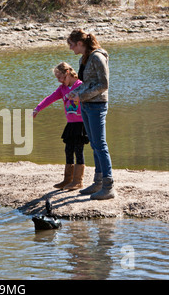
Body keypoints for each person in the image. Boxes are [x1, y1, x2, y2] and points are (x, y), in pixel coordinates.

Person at [65, 29, 115, 200]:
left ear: (80, 43)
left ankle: (108, 187)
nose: (71, 48)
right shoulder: (84, 58)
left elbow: (104, 84)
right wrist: (75, 92)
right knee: (94, 144)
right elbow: (87, 83)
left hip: (97, 105)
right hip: (86, 105)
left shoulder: (97, 57)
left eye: (72, 45)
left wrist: (82, 96)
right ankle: (98, 182)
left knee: (100, 144)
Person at [33, 62, 88, 190]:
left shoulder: (80, 85)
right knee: (68, 150)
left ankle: (78, 181)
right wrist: (37, 109)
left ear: (67, 73)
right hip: (70, 124)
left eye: (60, 77)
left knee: (78, 150)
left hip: (81, 124)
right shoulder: (62, 89)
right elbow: (50, 98)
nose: (59, 80)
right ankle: (67, 180)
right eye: (57, 78)